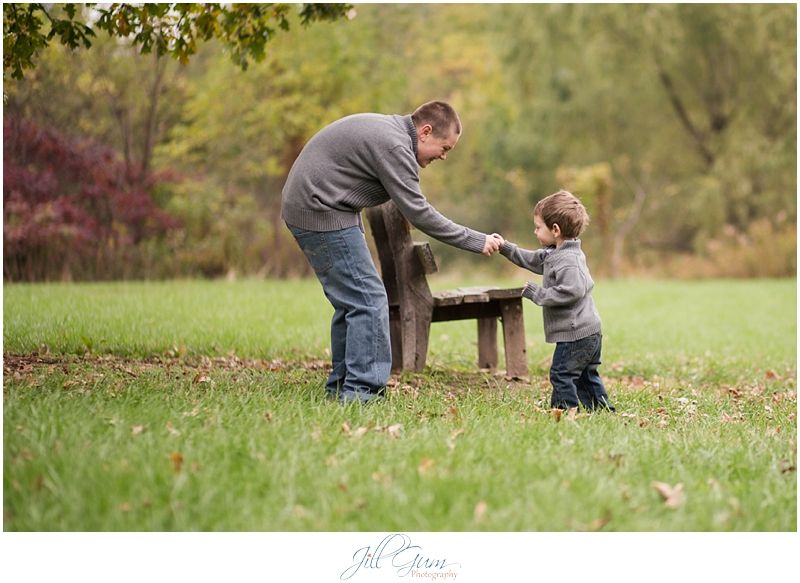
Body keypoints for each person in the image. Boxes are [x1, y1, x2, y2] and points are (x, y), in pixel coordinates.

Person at [281, 101, 502, 404]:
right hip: (319, 208)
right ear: (425, 131)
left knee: (353, 301)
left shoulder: (393, 135)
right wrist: (476, 240)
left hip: (321, 206)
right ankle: (362, 394)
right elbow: (421, 214)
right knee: (369, 299)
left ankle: (343, 387)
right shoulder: (395, 147)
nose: (444, 156)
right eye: (445, 147)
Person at [494, 190, 615, 413]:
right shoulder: (555, 253)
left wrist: (537, 293)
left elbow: (572, 291)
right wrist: (505, 248)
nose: (535, 231)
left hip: (577, 334)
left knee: (562, 374)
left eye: (538, 227)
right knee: (586, 376)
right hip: (587, 331)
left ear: (555, 229)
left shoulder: (568, 260)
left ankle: (564, 412)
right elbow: (531, 259)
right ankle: (601, 411)